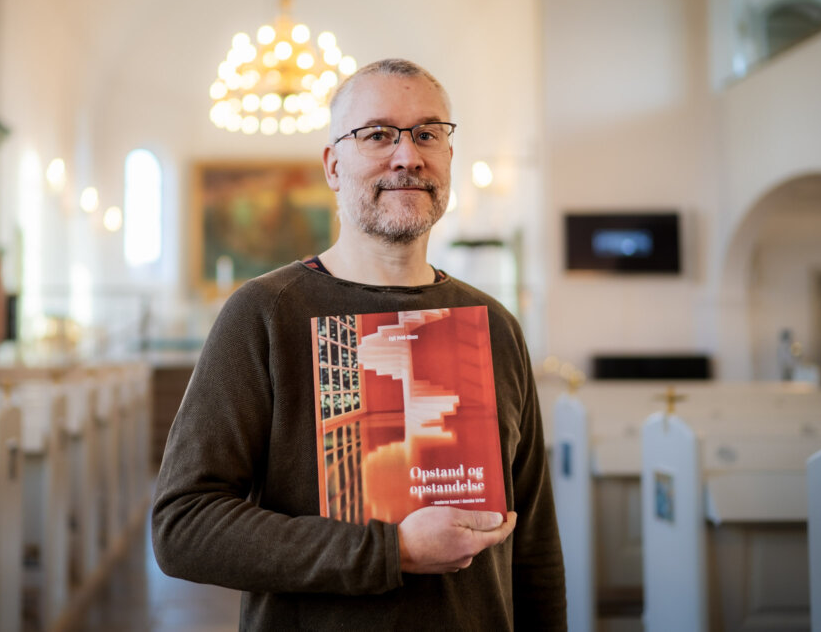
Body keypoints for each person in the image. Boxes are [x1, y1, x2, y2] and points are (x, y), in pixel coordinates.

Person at [152, 58, 566, 630]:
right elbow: (183, 526)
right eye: (377, 135)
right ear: (332, 164)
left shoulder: (494, 324)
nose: (407, 155)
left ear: (448, 155)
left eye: (428, 133)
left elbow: (535, 542)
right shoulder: (266, 313)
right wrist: (391, 552)